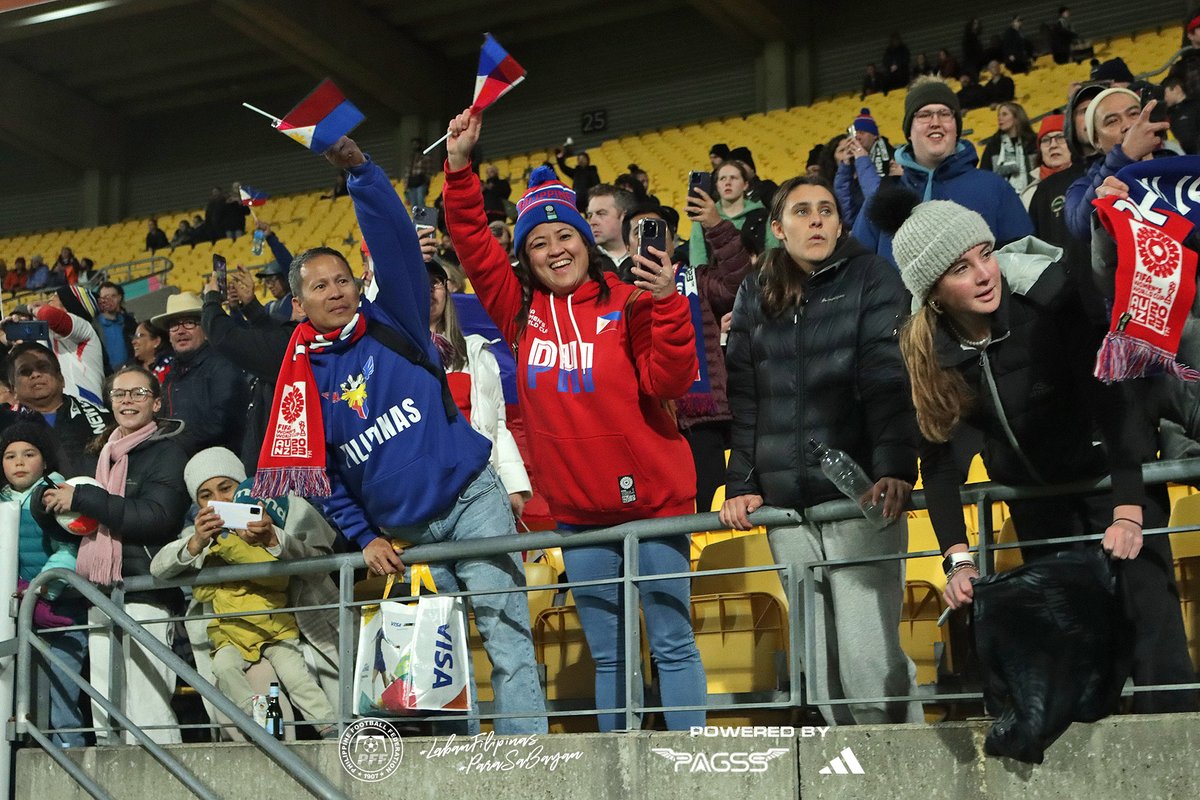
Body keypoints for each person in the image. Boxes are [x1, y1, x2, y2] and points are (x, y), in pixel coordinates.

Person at [253, 135, 546, 735]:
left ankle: (528, 764)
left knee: (506, 634)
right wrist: (363, 537)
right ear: (297, 301)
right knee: (440, 662)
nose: (335, 291)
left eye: (341, 280)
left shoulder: (397, 319)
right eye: (319, 286)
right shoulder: (299, 378)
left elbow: (392, 241)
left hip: (471, 502)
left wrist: (360, 172)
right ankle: (457, 767)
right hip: (407, 534)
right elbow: (319, 474)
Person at [443, 109, 706, 732]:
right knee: (610, 654)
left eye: (565, 237)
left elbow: (669, 381)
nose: (555, 250)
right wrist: (458, 169)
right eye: (538, 242)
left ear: (585, 243)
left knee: (671, 642)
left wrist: (668, 304)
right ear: (526, 257)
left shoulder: (631, 298)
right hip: (580, 513)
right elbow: (475, 245)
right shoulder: (518, 313)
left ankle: (695, 769)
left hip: (656, 501)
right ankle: (621, 766)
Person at [885, 195, 1197, 714]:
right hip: (1039, 508)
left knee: (1152, 634)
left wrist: (1127, 509)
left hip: (1109, 484)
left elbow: (1113, 404)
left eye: (985, 253)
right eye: (962, 268)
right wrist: (957, 561)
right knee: (1075, 658)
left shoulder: (1050, 298)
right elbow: (940, 460)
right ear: (934, 292)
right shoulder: (930, 350)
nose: (986, 273)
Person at [720, 177, 920, 725]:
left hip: (858, 498)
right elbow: (745, 397)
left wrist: (895, 468)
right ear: (778, 228)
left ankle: (900, 765)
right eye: (802, 211)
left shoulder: (873, 278)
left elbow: (890, 381)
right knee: (819, 664)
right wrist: (743, 483)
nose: (816, 220)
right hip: (785, 504)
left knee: (868, 657)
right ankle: (851, 769)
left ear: (840, 222)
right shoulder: (754, 290)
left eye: (826, 210)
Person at [42, 365, 190, 744]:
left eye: (138, 393)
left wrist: (83, 499)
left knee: (147, 710)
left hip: (146, 590)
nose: (127, 399)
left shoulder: (169, 452)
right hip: (101, 590)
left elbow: (156, 518)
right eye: (119, 393)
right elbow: (77, 514)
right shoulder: (99, 454)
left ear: (156, 403)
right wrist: (47, 508)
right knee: (106, 710)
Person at [151, 447, 337, 739]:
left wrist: (274, 537)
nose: (219, 501)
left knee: (309, 699)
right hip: (235, 642)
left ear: (245, 484)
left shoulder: (285, 505)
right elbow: (159, 568)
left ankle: (330, 737)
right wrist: (196, 542)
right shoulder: (202, 535)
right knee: (258, 727)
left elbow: (321, 564)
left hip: (295, 633)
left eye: (226, 488)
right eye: (206, 495)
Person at [852, 80, 1032, 266]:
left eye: (945, 114)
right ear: (908, 131)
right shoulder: (883, 197)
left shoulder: (995, 187)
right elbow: (858, 271)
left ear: (957, 129)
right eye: (924, 115)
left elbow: (1024, 263)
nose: (935, 123)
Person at [634, 202, 741, 513]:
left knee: (709, 510)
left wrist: (716, 227)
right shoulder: (617, 294)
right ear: (629, 245)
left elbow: (740, 285)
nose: (647, 239)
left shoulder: (700, 280)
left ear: (672, 242)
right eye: (638, 233)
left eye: (655, 232)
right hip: (646, 424)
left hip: (702, 420)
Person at [1, 421, 88, 748]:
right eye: (10, 456)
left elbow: (69, 549)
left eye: (28, 453)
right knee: (22, 697)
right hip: (14, 616)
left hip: (61, 611)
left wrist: (41, 588)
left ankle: (70, 759)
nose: (19, 462)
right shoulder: (2, 500)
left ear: (45, 460)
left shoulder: (56, 495)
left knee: (61, 692)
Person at [428, 260, 531, 518]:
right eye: (418, 284)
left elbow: (497, 425)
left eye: (434, 283)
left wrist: (512, 485)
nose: (428, 291)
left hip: (479, 486)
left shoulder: (477, 351)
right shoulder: (391, 355)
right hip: (428, 489)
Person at [1064, 88, 1171, 243]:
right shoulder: (1082, 187)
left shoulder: (1180, 165)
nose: (1128, 125)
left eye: (1134, 114)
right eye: (1112, 121)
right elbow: (1081, 228)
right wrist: (1126, 154)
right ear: (1097, 140)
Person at [153, 292, 248, 456]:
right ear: (169, 336)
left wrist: (173, 442)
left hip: (220, 462)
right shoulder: (171, 376)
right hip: (180, 459)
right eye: (174, 325)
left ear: (205, 330)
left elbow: (223, 422)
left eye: (189, 323)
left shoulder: (223, 365)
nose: (180, 331)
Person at [7, 342, 111, 476]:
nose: (35, 374)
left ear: (61, 379)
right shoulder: (5, 424)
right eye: (25, 371)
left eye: (43, 367)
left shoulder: (104, 418)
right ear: (13, 389)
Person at [689, 160, 773, 269]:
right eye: (722, 178)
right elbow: (698, 265)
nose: (727, 182)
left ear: (745, 185)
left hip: (757, 281)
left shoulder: (764, 216)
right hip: (713, 284)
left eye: (733, 178)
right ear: (717, 186)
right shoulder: (703, 219)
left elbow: (773, 258)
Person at [30, 285, 106, 406]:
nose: (47, 300)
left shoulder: (85, 328)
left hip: (87, 406)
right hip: (61, 410)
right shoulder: (47, 332)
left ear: (65, 308)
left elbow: (48, 315)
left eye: (53, 298)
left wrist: (35, 309)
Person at [1022, 114, 1080, 217]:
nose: (1053, 145)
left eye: (1060, 137)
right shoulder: (1029, 194)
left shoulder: (1088, 180)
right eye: (1045, 140)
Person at [980, 102, 1037, 193]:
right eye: (999, 115)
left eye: (1004, 114)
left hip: (1033, 193)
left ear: (1017, 118)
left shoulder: (1033, 142)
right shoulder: (993, 145)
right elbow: (985, 174)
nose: (999, 118)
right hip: (1003, 197)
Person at [586, 184, 635, 275]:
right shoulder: (585, 261)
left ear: (624, 216)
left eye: (601, 214)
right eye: (590, 215)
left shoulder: (645, 257)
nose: (592, 222)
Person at [96, 282, 138, 372]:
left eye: (113, 296)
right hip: (104, 375)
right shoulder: (93, 325)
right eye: (105, 297)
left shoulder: (130, 322)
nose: (109, 300)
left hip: (129, 372)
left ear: (119, 297)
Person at [1163, 75, 1200, 155]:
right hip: (1178, 158)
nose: (1164, 98)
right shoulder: (1166, 113)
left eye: (1165, 93)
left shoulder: (1196, 106)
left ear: (1177, 89)